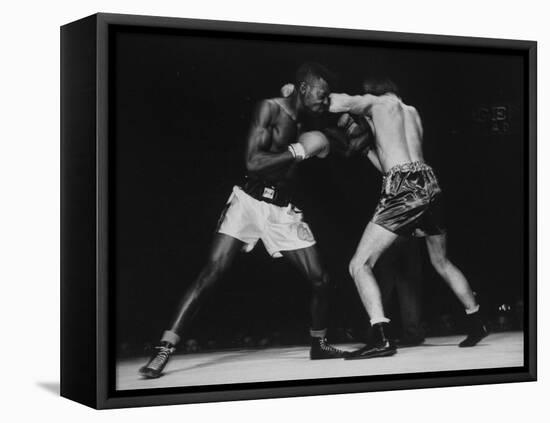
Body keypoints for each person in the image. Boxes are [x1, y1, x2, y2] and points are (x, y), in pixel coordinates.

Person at [139, 63, 346, 379]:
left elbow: (336, 115)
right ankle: (164, 348)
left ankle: (318, 344)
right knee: (212, 272)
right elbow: (253, 161)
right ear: (304, 87)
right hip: (248, 202)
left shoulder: (307, 114)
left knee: (321, 279)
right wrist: (299, 151)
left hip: (282, 210)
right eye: (321, 92)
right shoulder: (269, 109)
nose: (325, 99)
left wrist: (334, 130)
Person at [326, 78, 488, 359]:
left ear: (372, 92)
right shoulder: (412, 112)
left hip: (404, 186)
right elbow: (393, 159)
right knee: (441, 261)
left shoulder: (374, 103)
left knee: (359, 264)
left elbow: (335, 101)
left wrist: (298, 92)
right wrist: (367, 149)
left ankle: (381, 337)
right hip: (430, 182)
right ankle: (476, 322)